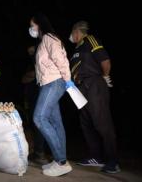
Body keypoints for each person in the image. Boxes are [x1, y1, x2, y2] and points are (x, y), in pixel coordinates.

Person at [69, 21, 120, 173]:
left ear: (77, 31)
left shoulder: (90, 40)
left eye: (72, 33)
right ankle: (95, 157)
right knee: (86, 123)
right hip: (80, 89)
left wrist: (105, 77)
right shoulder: (76, 49)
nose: (71, 36)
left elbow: (105, 60)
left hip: (94, 86)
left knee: (102, 123)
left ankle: (113, 161)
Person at [29, 12, 73, 177]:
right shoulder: (44, 41)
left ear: (39, 24)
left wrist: (67, 80)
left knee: (39, 118)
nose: (31, 28)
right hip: (49, 83)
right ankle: (58, 159)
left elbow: (61, 59)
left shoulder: (49, 37)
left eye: (32, 25)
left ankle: (62, 162)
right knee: (56, 123)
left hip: (54, 82)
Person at [21, 45, 48, 164]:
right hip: (31, 100)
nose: (29, 51)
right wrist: (32, 75)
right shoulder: (30, 63)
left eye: (32, 48)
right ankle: (37, 151)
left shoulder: (41, 59)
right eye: (28, 50)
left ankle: (42, 153)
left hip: (42, 98)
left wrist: (33, 75)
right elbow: (23, 79)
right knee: (33, 126)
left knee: (40, 124)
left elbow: (39, 73)